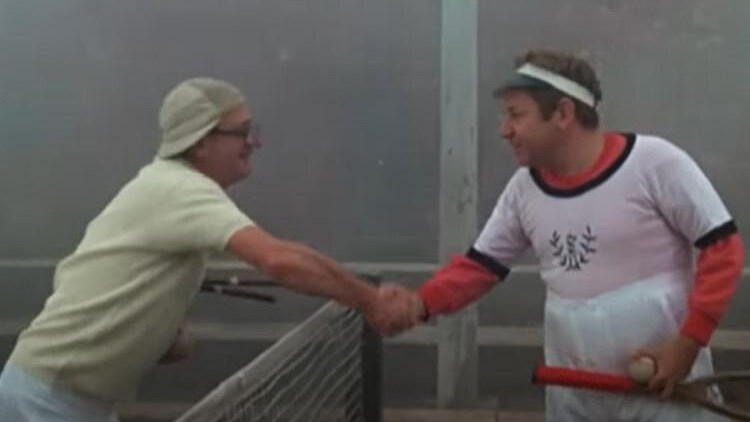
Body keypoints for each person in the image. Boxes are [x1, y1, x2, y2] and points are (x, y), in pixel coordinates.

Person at [0, 78, 408, 422]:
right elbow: (281, 260)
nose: (254, 143)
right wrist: (370, 300)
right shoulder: (180, 188)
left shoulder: (166, 187)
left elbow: (75, 278)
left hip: (71, 401)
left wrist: (158, 335)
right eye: (242, 132)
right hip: (44, 402)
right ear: (200, 142)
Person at [379, 49, 744, 421]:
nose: (505, 130)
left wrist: (687, 345)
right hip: (574, 396)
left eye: (516, 115)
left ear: (563, 114)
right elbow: (480, 267)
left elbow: (723, 249)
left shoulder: (655, 163)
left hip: (665, 394)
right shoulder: (523, 189)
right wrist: (420, 304)